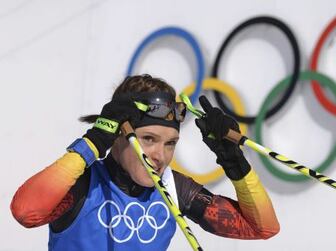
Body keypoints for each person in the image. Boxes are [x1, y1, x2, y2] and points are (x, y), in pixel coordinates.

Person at [10, 74, 280, 250]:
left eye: (170, 143)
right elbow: (25, 211)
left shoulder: (174, 190)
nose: (159, 155)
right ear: (117, 136)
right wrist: (93, 143)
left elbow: (263, 227)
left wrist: (235, 163)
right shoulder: (84, 183)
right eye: (148, 139)